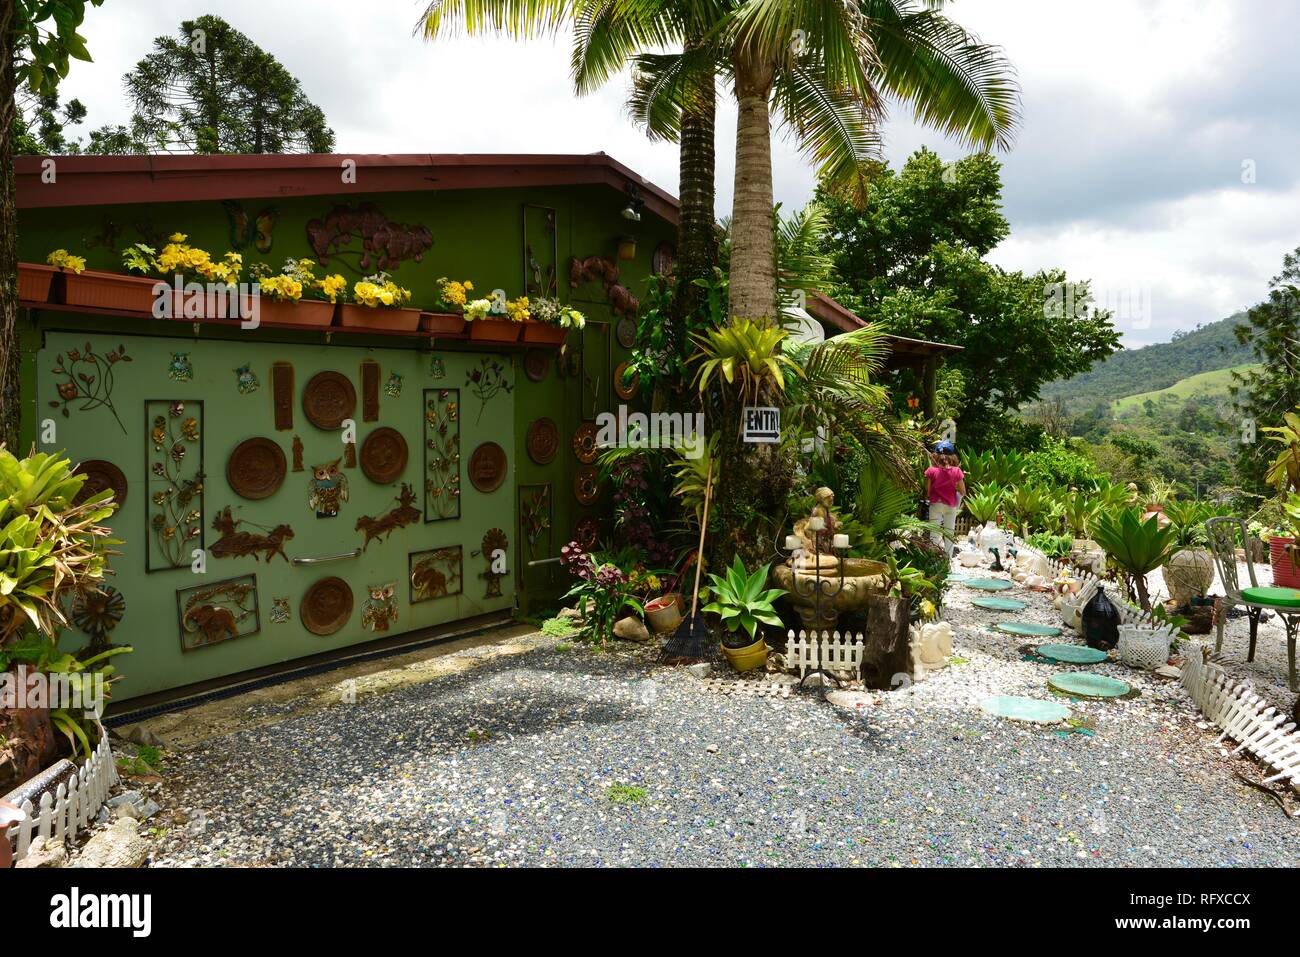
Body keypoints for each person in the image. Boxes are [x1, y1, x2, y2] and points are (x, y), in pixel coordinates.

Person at [925, 440, 966, 549]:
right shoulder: (957, 471)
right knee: (949, 534)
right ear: (952, 456)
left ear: (936, 455)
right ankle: (948, 562)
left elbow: (928, 492)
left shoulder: (931, 471)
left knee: (934, 535)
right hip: (951, 506)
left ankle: (933, 562)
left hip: (936, 504)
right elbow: (963, 492)